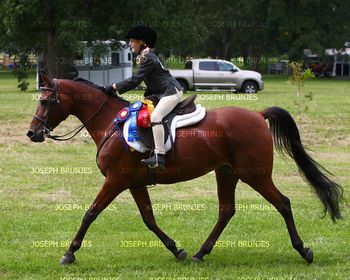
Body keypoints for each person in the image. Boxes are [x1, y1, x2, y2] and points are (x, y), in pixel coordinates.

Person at [109, 26, 183, 169]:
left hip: (170, 92)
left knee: (155, 117)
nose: (130, 44)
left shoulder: (147, 57)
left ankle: (159, 156)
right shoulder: (144, 56)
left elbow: (135, 80)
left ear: (142, 42)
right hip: (161, 92)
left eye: (132, 41)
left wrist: (114, 87)